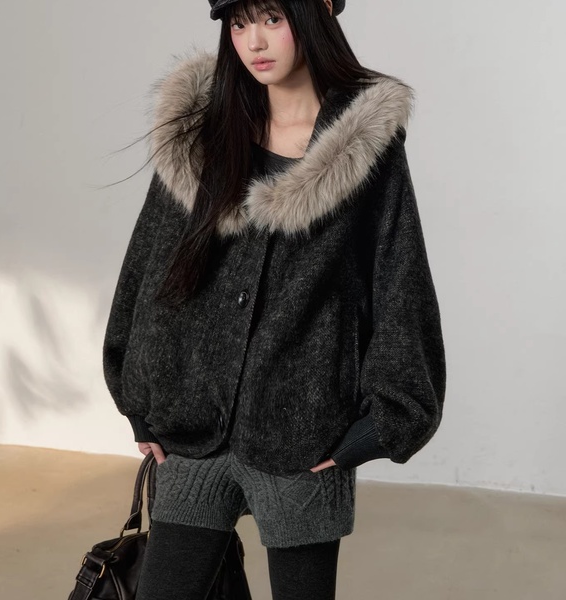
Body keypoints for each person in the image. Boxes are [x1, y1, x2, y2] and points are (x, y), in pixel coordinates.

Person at [102, 0, 446, 598]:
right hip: (192, 431)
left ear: (314, 15)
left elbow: (398, 279)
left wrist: (375, 430)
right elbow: (149, 264)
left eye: (271, 19)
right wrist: (138, 402)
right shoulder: (202, 132)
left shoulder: (365, 147)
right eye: (239, 23)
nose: (254, 42)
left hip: (303, 434)